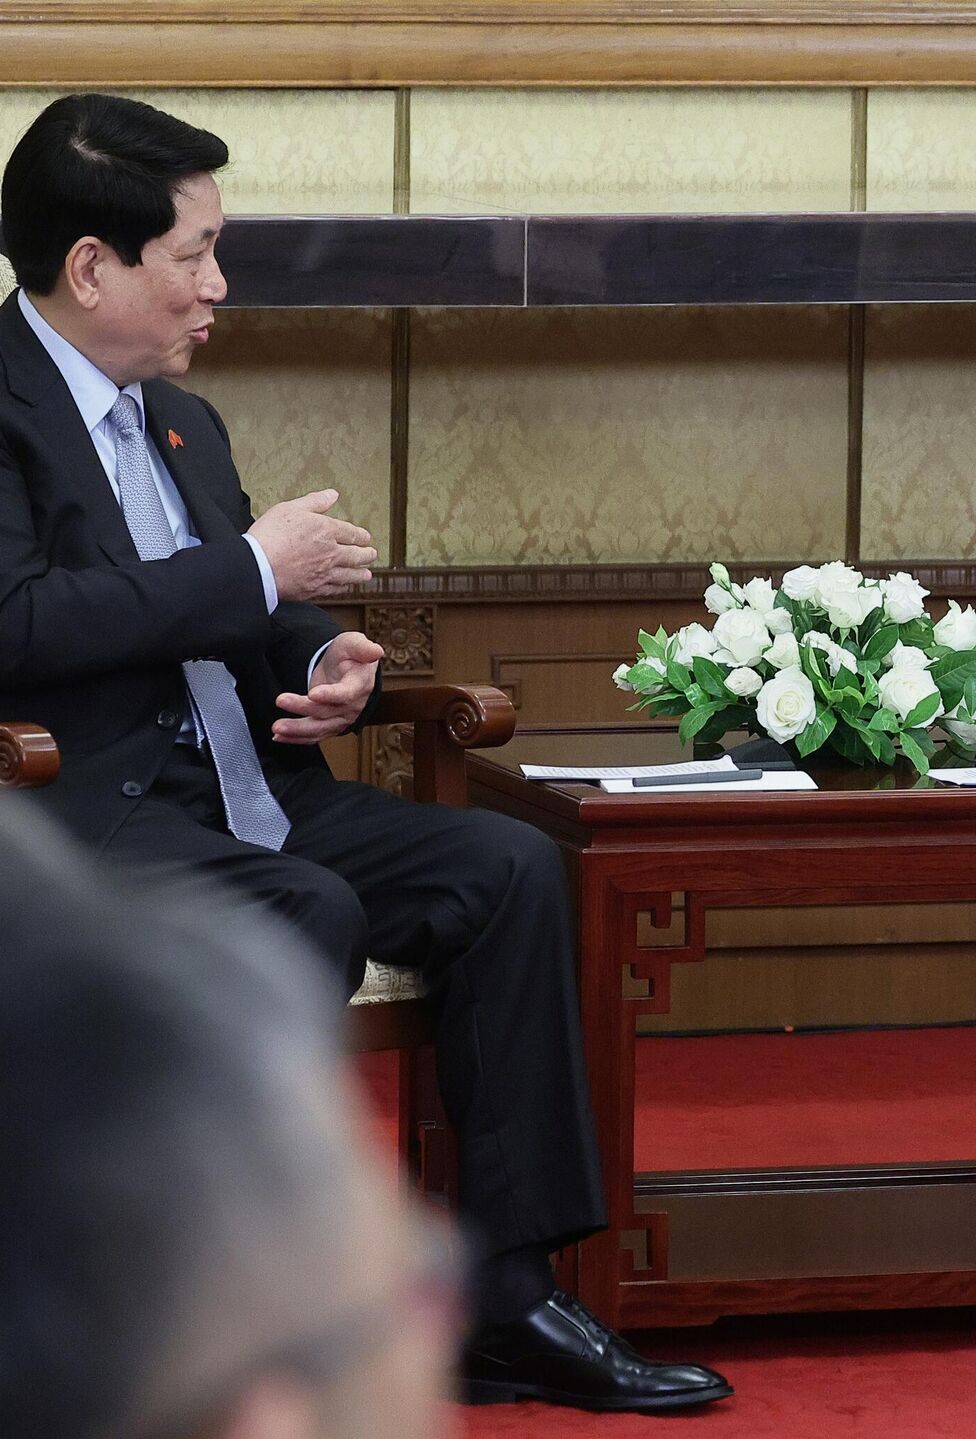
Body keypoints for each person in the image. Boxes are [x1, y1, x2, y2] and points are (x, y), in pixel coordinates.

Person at [0, 92, 730, 1413]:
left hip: (253, 790)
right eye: (194, 254)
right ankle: (226, 1313)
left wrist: (322, 650)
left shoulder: (181, 421)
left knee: (508, 870)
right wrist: (248, 568)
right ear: (93, 265)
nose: (218, 285)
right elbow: (20, 621)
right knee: (308, 903)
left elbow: (242, 606)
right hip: (86, 813)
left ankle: (507, 1296)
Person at [0, 798, 458, 1439]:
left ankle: (525, 1301)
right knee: (314, 903)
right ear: (264, 1416)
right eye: (429, 1286)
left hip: (274, 789)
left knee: (507, 862)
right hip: (103, 794)